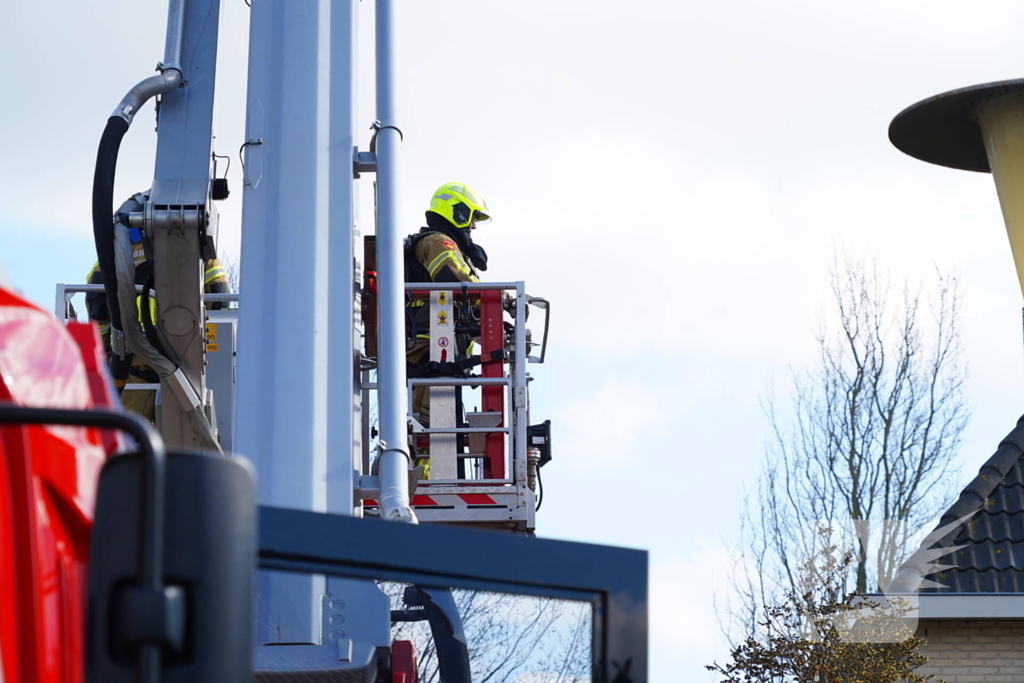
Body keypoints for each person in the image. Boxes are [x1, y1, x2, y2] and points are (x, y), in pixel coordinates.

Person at [87, 191, 229, 421]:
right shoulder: (201, 254)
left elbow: (98, 308)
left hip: (133, 365)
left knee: (127, 433)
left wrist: (104, 351)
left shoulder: (113, 257)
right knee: (202, 430)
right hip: (191, 363)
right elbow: (220, 300)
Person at [404, 182, 492, 475]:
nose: (473, 228)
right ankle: (424, 485)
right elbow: (456, 283)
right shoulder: (438, 242)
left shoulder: (438, 243)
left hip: (437, 355)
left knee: (440, 430)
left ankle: (433, 479)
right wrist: (501, 303)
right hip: (429, 354)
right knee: (431, 430)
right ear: (457, 212)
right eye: (472, 218)